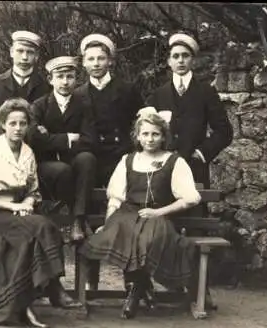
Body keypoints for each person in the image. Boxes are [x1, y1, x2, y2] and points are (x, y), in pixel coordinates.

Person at [79, 107, 202, 319]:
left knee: (147, 239)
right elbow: (116, 198)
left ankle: (134, 292)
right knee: (124, 235)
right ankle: (141, 286)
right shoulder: (128, 160)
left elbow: (190, 198)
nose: (150, 139)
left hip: (157, 216)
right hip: (127, 215)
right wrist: (108, 223)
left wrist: (159, 212)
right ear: (137, 136)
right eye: (145, 134)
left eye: (155, 134)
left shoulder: (174, 161)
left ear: (164, 136)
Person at [0, 98, 80, 327]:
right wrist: (14, 207)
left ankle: (24, 303)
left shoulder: (28, 152)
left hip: (19, 214)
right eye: (13, 123)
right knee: (43, 226)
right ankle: (53, 288)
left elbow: (33, 190)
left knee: (32, 237)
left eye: (23, 123)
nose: (18, 128)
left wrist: (27, 203)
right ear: (3, 124)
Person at [146, 32, 233, 191]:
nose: (180, 60)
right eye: (176, 56)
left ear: (192, 60)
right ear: (169, 61)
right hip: (163, 168)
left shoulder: (206, 91)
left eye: (185, 56)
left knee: (195, 213)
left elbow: (224, 131)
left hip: (195, 169)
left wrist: (201, 153)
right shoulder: (158, 95)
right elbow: (147, 130)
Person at [29, 56, 97, 242]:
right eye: (60, 76)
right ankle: (63, 215)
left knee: (87, 159)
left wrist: (49, 137)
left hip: (74, 161)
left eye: (70, 76)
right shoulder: (39, 105)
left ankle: (78, 219)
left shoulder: (84, 105)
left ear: (76, 79)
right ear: (51, 79)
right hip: (46, 164)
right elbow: (34, 139)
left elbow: (89, 140)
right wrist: (67, 138)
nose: (65, 82)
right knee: (61, 169)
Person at [76, 33, 144, 188]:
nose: (96, 64)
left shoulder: (127, 90)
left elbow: (141, 124)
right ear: (84, 63)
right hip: (93, 158)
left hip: (121, 155)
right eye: (91, 59)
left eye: (101, 58)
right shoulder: (78, 94)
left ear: (110, 61)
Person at [0, 30, 51, 146]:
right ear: (11, 52)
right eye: (20, 51)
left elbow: (48, 125)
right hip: (0, 150)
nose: (25, 57)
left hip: (35, 151)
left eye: (30, 52)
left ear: (36, 56)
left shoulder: (46, 87)